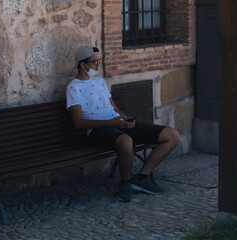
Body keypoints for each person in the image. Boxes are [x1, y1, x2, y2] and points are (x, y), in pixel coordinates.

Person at [66, 46, 180, 202]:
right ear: (83, 64)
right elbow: (78, 122)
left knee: (171, 135)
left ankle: (141, 177)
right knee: (126, 141)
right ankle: (125, 181)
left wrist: (125, 119)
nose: (98, 65)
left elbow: (114, 108)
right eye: (94, 62)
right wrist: (110, 122)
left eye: (99, 61)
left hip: (117, 123)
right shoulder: (73, 88)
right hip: (97, 129)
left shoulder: (99, 82)